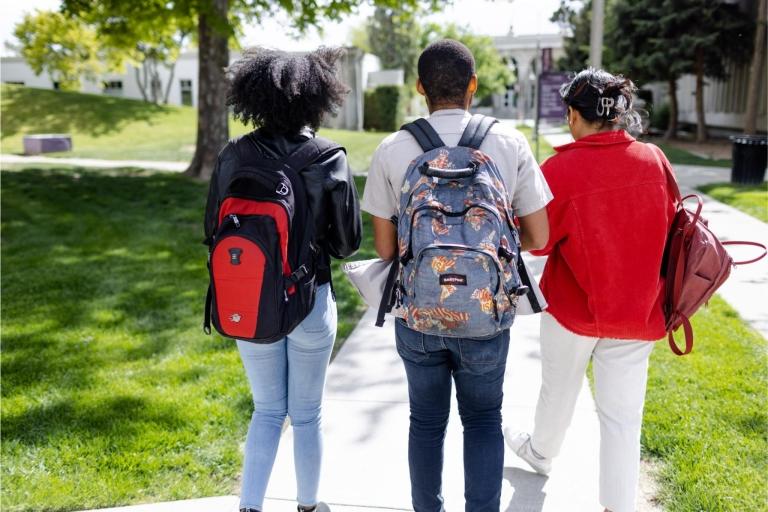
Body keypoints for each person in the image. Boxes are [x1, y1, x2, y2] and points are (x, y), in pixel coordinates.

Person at [362, 39, 552, 512]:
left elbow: (386, 249)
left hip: (418, 313)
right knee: (484, 420)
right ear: (473, 85)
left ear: (420, 87)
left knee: (425, 422)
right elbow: (538, 235)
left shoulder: (392, 148)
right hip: (486, 314)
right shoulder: (508, 143)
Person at [504, 68, 676, 512]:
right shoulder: (654, 159)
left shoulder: (560, 169)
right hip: (637, 310)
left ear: (573, 116)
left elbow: (537, 239)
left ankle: (540, 453)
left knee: (557, 391)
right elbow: (672, 220)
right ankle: (617, 506)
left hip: (573, 307)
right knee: (622, 419)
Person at [203, 47, 362, 512]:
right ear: (317, 98)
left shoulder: (233, 155)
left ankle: (250, 506)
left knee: (267, 411)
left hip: (250, 298)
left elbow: (212, 230)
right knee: (307, 415)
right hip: (310, 300)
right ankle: (309, 505)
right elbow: (347, 243)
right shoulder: (328, 156)